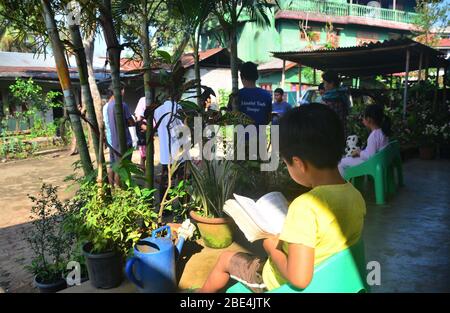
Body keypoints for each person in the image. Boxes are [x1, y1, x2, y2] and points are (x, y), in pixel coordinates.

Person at [199, 103, 366, 293]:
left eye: (286, 163)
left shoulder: (306, 207)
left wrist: (271, 247)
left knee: (225, 259)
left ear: (298, 163)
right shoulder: (355, 194)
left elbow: (299, 278)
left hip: (275, 282)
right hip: (332, 279)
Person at [338, 104, 391, 177]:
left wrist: (359, 153)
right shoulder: (383, 132)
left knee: (342, 162)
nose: (362, 119)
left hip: (372, 164)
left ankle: (343, 185)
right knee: (348, 159)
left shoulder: (373, 136)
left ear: (369, 119)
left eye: (363, 117)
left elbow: (369, 156)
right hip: (380, 162)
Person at [103, 83, 136, 187]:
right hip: (122, 140)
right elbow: (130, 121)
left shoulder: (108, 105)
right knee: (122, 167)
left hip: (111, 140)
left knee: (113, 165)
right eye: (123, 90)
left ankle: (112, 187)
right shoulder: (121, 104)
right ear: (120, 91)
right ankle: (121, 189)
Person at [321, 71, 350, 136]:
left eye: (325, 82)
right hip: (341, 132)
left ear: (331, 83)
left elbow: (327, 120)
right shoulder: (342, 95)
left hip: (333, 134)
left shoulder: (332, 100)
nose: (324, 85)